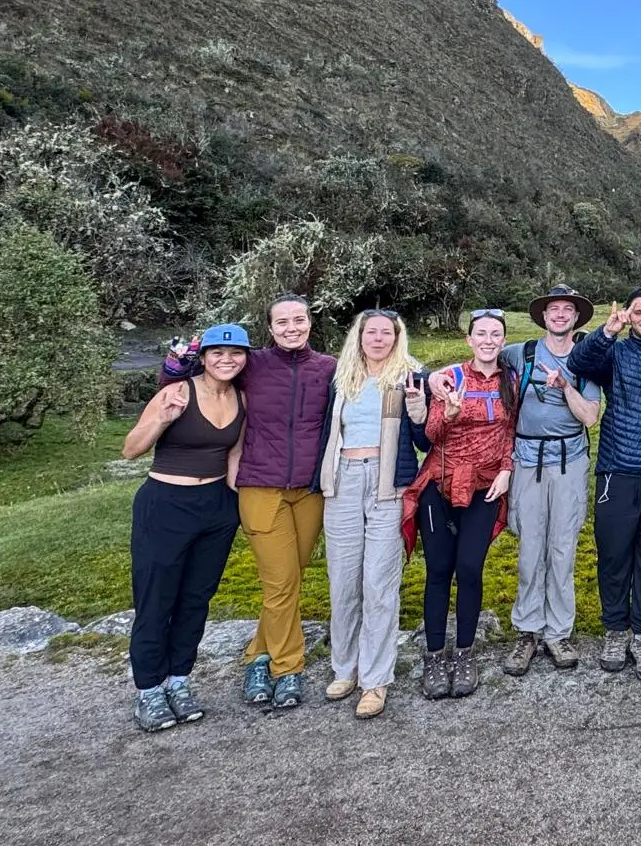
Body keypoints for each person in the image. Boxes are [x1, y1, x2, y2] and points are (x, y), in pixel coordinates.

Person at [160, 293, 334, 711]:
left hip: (310, 490)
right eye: (282, 323)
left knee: (289, 578)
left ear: (310, 322)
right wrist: (183, 353)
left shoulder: (328, 368)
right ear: (269, 329)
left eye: (299, 320)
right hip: (260, 487)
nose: (292, 328)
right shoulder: (251, 364)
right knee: (280, 581)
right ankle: (287, 668)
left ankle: (258, 653)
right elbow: (181, 380)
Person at [124, 324, 249, 731]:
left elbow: (233, 456)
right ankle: (149, 690)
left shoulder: (241, 399)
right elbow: (130, 450)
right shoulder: (176, 393)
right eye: (218, 353)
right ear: (204, 356)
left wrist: (240, 509)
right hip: (165, 504)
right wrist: (161, 419)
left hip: (216, 508)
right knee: (156, 598)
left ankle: (179, 680)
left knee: (197, 598)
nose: (226, 360)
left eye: (235, 354)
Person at [313, 308, 428, 720]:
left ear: (398, 337)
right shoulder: (341, 377)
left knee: (379, 584)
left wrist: (418, 409)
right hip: (342, 480)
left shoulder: (410, 374)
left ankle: (376, 680)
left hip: (388, 485)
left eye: (387, 333)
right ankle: (345, 667)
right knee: (343, 580)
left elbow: (425, 439)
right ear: (359, 336)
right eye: (371, 332)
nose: (378, 339)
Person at [567, 287, 641, 681]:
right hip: (617, 472)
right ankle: (616, 632)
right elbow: (578, 361)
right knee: (614, 559)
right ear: (630, 315)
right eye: (639, 311)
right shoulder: (613, 352)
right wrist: (607, 331)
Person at [402, 309, 515, 699]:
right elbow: (431, 434)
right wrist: (448, 413)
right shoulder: (450, 378)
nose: (487, 340)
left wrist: (507, 469)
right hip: (441, 484)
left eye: (495, 334)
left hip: (486, 487)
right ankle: (434, 655)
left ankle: (464, 653)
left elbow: (513, 430)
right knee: (438, 569)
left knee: (469, 567)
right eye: (480, 334)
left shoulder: (510, 380)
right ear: (469, 340)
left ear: (503, 340)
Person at [501, 285, 601, 673]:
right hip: (527, 461)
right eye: (553, 309)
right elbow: (480, 361)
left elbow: (590, 416)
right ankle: (527, 632)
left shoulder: (585, 360)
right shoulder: (521, 354)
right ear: (543, 316)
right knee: (530, 550)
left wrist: (565, 386)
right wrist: (432, 377)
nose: (559, 315)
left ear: (576, 318)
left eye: (567, 310)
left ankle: (558, 633)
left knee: (563, 548)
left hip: (570, 462)